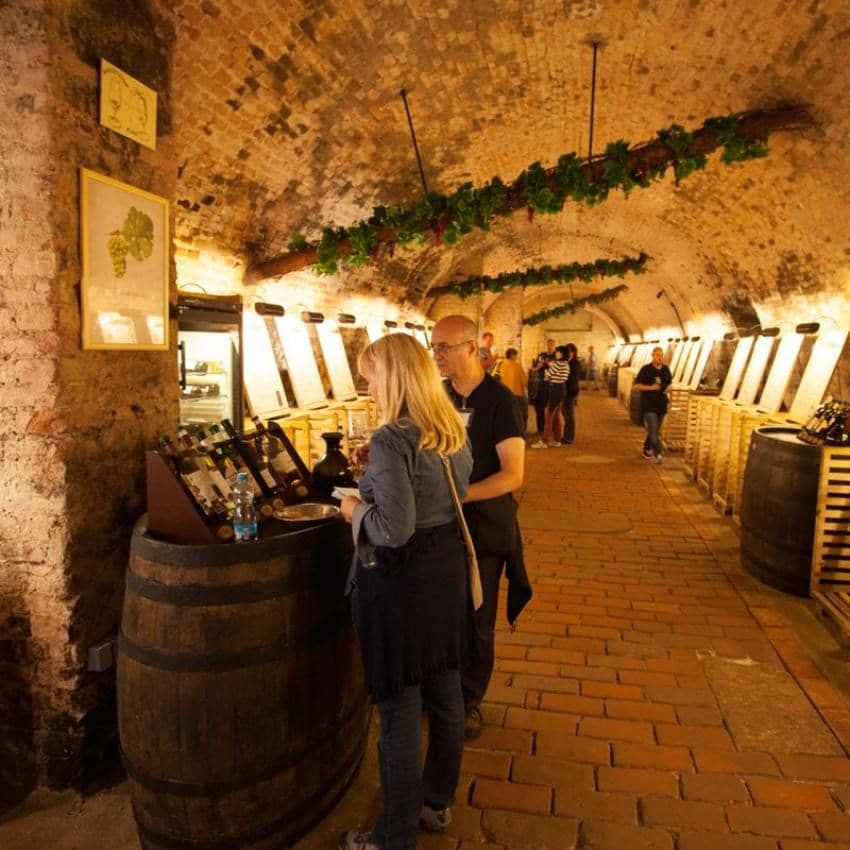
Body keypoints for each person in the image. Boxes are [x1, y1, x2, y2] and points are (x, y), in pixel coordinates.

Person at [338, 333, 473, 850]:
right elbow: (449, 494)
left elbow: (394, 529)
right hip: (443, 578)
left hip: (402, 586)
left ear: (391, 376)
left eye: (371, 376)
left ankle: (392, 838)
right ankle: (436, 803)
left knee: (397, 712)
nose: (368, 386)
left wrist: (354, 509)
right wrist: (378, 473)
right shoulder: (449, 428)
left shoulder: (394, 438)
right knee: (444, 695)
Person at [430, 315, 531, 740]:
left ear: (472, 348)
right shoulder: (440, 398)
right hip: (442, 526)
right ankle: (442, 693)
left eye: (445, 348)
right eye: (433, 348)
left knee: (477, 616)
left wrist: (461, 495)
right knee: (444, 613)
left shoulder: (500, 401)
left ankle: (470, 698)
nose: (437, 357)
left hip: (484, 529)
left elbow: (513, 475)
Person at [633, 345, 673, 463]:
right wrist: (651, 388)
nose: (660, 358)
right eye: (657, 355)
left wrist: (668, 389)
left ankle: (646, 448)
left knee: (654, 430)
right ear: (653, 355)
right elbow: (636, 386)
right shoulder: (646, 369)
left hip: (661, 405)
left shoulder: (666, 369)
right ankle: (658, 453)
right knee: (654, 430)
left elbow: (669, 383)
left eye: (661, 355)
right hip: (649, 405)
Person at [532, 345, 569, 448]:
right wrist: (549, 366)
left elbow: (547, 377)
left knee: (548, 416)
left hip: (555, 391)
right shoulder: (565, 364)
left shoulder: (557, 364)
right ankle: (557, 440)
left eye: (558, 353)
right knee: (557, 416)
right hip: (562, 390)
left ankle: (544, 441)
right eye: (556, 352)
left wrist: (546, 371)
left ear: (562, 354)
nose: (556, 354)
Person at [494, 347, 528, 437]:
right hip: (517, 394)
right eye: (516, 355)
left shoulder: (500, 365)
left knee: (506, 416)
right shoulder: (518, 366)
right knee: (521, 416)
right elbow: (524, 382)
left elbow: (496, 378)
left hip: (504, 395)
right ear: (512, 355)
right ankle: (521, 435)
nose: (516, 357)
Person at [562, 342, 580, 445]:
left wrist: (563, 376)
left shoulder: (575, 363)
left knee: (569, 414)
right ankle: (566, 434)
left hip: (571, 391)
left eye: (569, 351)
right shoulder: (566, 362)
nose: (568, 353)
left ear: (573, 352)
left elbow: (574, 377)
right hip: (565, 390)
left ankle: (569, 437)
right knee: (565, 413)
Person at [529, 352, 550, 437]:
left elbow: (547, 378)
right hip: (538, 391)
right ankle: (541, 429)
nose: (541, 361)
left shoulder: (549, 368)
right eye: (539, 359)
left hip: (544, 391)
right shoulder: (539, 368)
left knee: (542, 410)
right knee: (539, 410)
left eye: (542, 359)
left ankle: (544, 429)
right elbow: (532, 371)